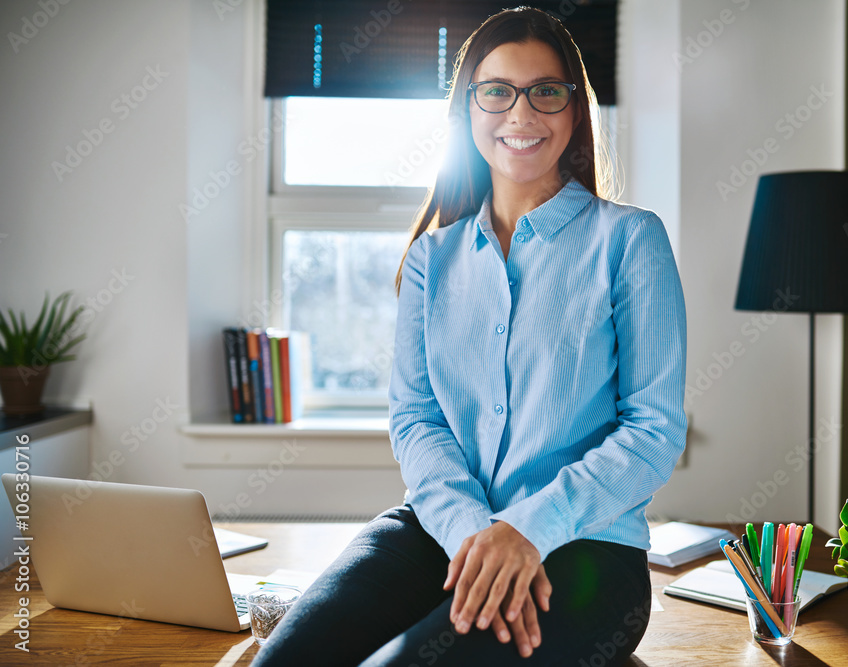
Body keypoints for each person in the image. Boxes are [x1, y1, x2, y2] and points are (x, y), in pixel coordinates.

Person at [251, 6, 686, 666]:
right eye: (496, 92)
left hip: (585, 552)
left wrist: (526, 530)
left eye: (546, 91)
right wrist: (476, 534)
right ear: (467, 110)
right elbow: (418, 420)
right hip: (440, 533)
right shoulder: (432, 258)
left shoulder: (629, 241)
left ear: (574, 110)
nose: (521, 114)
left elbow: (653, 430)